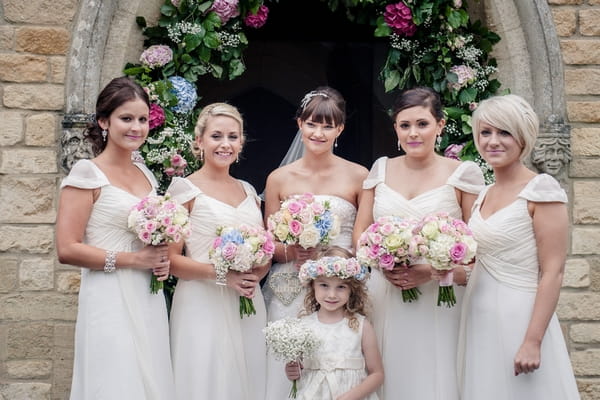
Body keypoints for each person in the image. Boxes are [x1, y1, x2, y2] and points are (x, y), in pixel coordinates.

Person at [352, 86, 485, 399]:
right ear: (396, 128)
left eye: (422, 124)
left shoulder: (464, 173)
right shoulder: (380, 169)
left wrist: (429, 271)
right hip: (386, 291)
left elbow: (477, 247)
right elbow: (361, 232)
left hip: (439, 296)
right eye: (405, 125)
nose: (413, 133)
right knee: (386, 369)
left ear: (439, 125)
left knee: (434, 376)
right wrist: (382, 261)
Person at [56, 76, 174, 399]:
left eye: (142, 119)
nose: (136, 127)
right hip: (108, 295)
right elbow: (67, 248)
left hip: (146, 294)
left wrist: (160, 261)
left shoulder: (146, 173)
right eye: (126, 118)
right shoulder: (87, 173)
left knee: (149, 378)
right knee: (115, 380)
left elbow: (148, 239)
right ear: (104, 121)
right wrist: (134, 260)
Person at [457, 94, 580, 399]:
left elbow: (553, 272)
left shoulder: (541, 190)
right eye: (485, 133)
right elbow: (479, 263)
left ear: (523, 138)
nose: (493, 142)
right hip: (478, 316)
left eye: (504, 132)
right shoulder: (484, 194)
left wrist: (533, 340)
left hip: (521, 318)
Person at [262, 86, 369, 399]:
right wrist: (292, 250)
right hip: (290, 289)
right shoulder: (278, 179)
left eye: (327, 125)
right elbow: (269, 246)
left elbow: (362, 241)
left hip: (340, 288)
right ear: (299, 124)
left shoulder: (359, 176)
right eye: (312, 124)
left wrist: (335, 259)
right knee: (287, 373)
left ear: (340, 129)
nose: (318, 133)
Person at [167, 103, 268, 400]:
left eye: (233, 137)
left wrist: (256, 274)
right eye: (216, 136)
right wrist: (224, 275)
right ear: (199, 141)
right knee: (205, 379)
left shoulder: (249, 191)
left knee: (249, 379)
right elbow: (171, 260)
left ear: (241, 143)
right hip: (201, 302)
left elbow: (263, 250)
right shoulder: (183, 190)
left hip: (247, 301)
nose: (225, 144)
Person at [285, 247, 384, 400]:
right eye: (324, 285)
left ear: (352, 289)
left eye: (341, 287)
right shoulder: (303, 326)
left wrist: (351, 396)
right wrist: (292, 371)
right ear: (313, 285)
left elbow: (377, 374)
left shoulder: (361, 325)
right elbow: (298, 368)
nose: (332, 294)